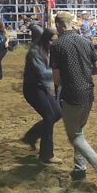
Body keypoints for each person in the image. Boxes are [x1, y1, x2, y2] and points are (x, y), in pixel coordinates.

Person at [50, 11, 97, 191]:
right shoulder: (86, 42)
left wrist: (70, 78)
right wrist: (83, 74)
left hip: (71, 95)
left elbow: (56, 79)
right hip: (88, 94)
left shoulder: (57, 45)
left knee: (75, 136)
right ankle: (79, 168)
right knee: (79, 131)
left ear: (59, 25)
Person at [20, 28, 62, 164]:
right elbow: (43, 73)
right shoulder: (34, 52)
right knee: (49, 117)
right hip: (33, 89)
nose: (53, 43)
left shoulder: (45, 51)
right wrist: (60, 71)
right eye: (51, 40)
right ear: (45, 39)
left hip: (41, 87)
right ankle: (46, 155)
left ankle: (31, 136)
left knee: (57, 113)